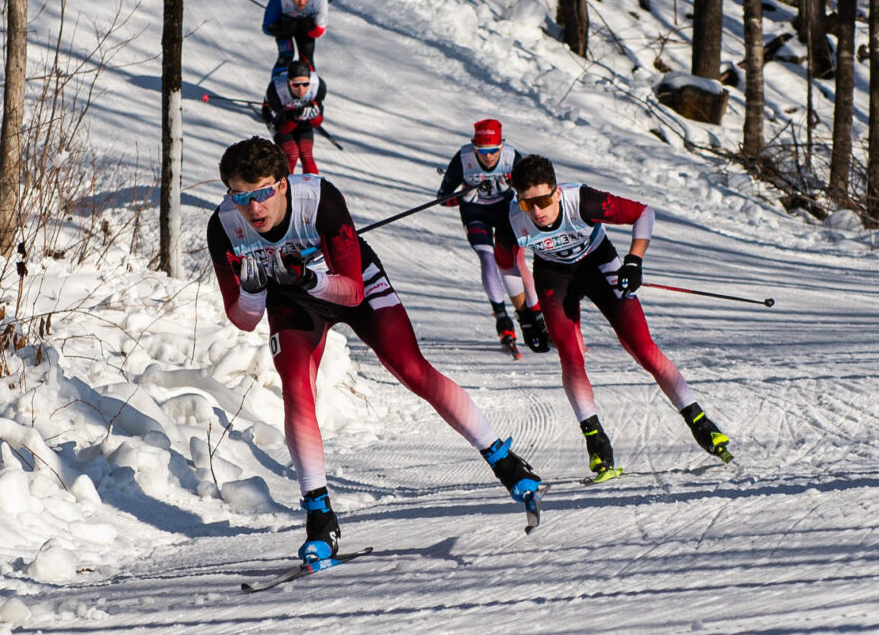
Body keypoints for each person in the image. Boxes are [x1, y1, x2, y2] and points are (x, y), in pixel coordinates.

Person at [207, 137, 542, 561]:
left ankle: (507, 463)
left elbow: (351, 292)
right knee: (296, 390)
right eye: (241, 196)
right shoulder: (224, 225)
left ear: (284, 185)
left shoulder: (318, 199)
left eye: (263, 193)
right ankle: (319, 519)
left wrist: (308, 279)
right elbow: (244, 319)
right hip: (292, 300)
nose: (254, 209)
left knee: (411, 368)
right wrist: (254, 291)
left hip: (350, 284)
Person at [498, 153, 733, 482]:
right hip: (554, 277)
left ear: (556, 192)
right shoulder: (512, 220)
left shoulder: (582, 201)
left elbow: (643, 214)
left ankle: (699, 420)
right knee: (570, 354)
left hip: (599, 265)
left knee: (643, 348)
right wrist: (525, 315)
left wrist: (634, 261)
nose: (536, 212)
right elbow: (506, 266)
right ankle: (596, 442)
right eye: (527, 204)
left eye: (541, 201)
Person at [437, 119, 548, 356]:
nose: (488, 157)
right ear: (474, 148)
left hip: (506, 212)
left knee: (514, 259)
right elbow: (443, 197)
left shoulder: (511, 156)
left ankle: (535, 312)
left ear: (501, 146)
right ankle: (502, 318)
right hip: (475, 213)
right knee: (487, 258)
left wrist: (513, 186)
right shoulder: (464, 158)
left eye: (493, 151)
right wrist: (463, 196)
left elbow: (531, 190)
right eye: (482, 152)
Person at [261, 60, 327, 175]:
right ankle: (283, 186)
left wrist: (313, 116)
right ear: (288, 81)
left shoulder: (318, 85)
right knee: (291, 153)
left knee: (306, 152)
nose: (301, 89)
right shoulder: (276, 89)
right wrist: (295, 118)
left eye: (305, 84)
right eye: (295, 85)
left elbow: (317, 122)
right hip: (281, 119)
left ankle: (314, 188)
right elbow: (281, 128)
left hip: (299, 118)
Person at [261, 0, 329, 77]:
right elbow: (267, 27)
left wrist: (308, 28)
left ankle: (311, 90)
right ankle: (275, 89)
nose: (301, 2)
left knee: (307, 61)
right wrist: (282, 29)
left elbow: (320, 31)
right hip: (285, 27)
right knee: (286, 56)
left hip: (305, 29)